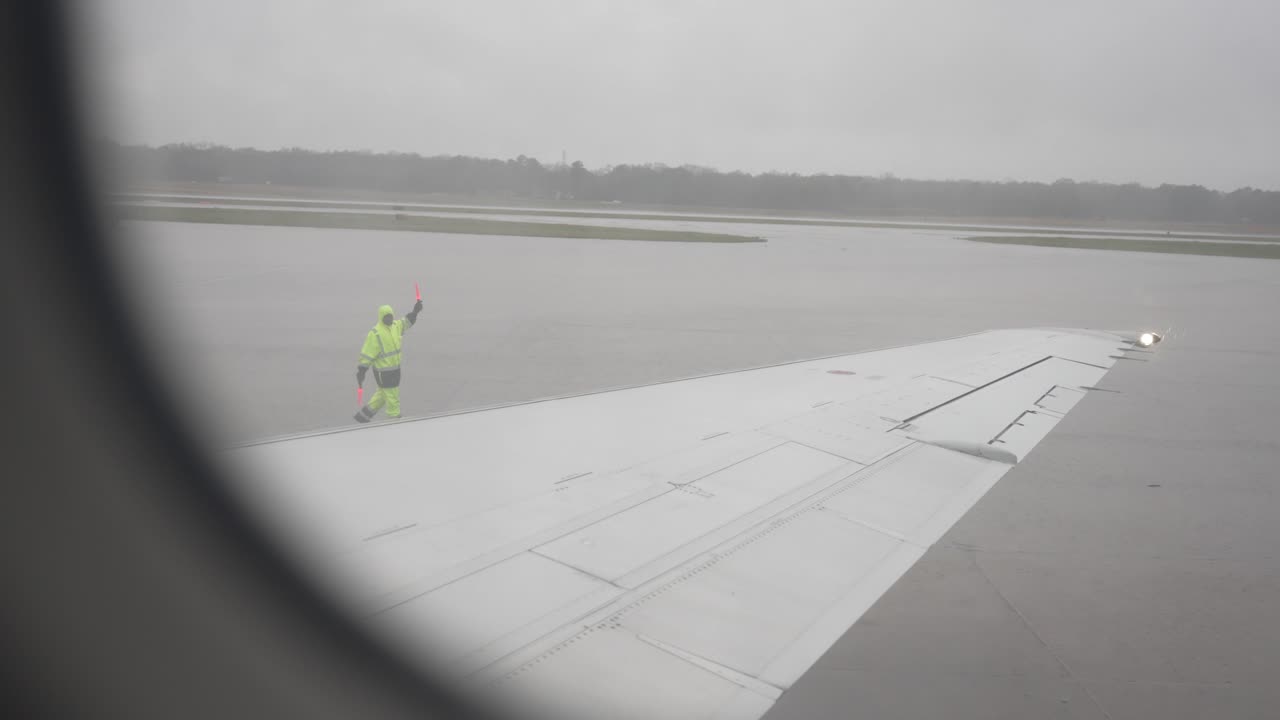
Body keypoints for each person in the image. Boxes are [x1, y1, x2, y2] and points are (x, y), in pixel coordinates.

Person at [354, 298, 423, 423]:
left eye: (391, 316)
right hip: (384, 373)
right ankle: (394, 420)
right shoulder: (375, 333)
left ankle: (363, 416)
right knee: (392, 397)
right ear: (381, 317)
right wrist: (362, 370)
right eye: (386, 317)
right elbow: (367, 353)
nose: (389, 319)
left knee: (382, 395)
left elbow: (407, 322)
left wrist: (415, 311)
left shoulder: (395, 326)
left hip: (395, 370)